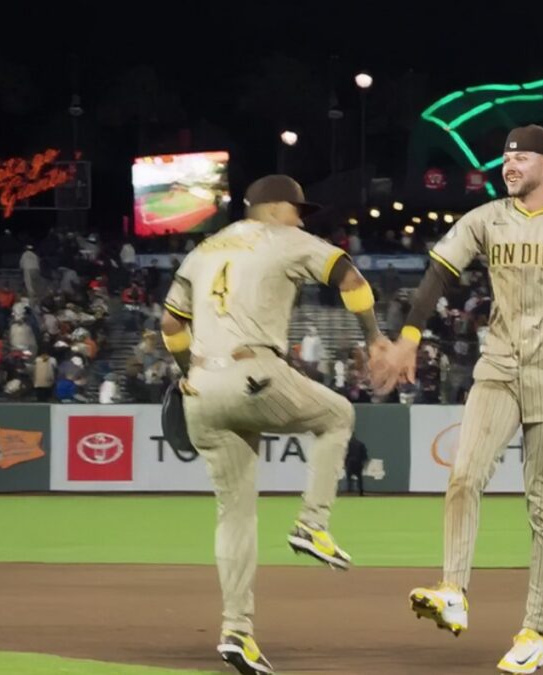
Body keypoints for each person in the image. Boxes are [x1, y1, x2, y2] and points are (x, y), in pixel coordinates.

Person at [371, 125, 543, 675]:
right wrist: (410, 336)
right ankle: (453, 589)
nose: (510, 165)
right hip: (499, 367)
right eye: (506, 158)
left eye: (522, 157)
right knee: (464, 475)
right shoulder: (486, 219)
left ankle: (535, 631)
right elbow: (438, 274)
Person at [160, 174, 389, 675]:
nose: (300, 219)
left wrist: (187, 375)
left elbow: (172, 325)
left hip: (201, 388)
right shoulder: (285, 238)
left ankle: (236, 632)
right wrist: (374, 337)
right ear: (274, 208)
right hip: (253, 371)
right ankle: (313, 524)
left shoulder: (201, 251)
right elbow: (350, 278)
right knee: (338, 415)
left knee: (234, 516)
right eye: (297, 210)